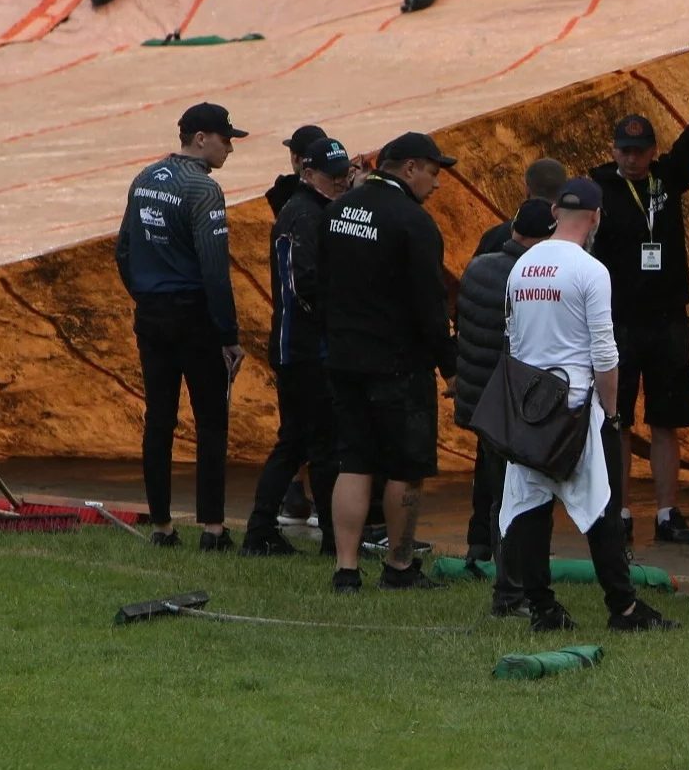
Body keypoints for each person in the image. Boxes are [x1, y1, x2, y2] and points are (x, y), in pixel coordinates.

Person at [499, 178, 677, 633]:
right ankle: (624, 607)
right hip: (577, 406)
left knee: (531, 508)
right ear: (596, 217)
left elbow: (515, 342)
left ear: (555, 211)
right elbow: (605, 352)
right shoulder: (591, 270)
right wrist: (613, 413)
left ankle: (542, 607)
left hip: (529, 407)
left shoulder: (523, 266)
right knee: (600, 507)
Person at [585, 43, 689, 546]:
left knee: (667, 419)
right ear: (613, 149)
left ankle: (667, 513)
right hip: (616, 321)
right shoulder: (595, 187)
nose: (632, 158)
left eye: (640, 151)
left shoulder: (668, 178)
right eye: (624, 150)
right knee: (615, 419)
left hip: (667, 320)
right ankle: (618, 512)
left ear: (653, 151)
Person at [320, 132, 458, 590]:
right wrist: (449, 364)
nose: (436, 185)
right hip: (399, 363)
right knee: (405, 468)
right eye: (434, 173)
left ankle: (345, 568)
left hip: (343, 357)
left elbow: (318, 282)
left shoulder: (338, 210)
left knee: (354, 461)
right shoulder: (413, 222)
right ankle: (399, 567)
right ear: (410, 167)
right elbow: (430, 304)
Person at [114, 103, 248, 549]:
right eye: (226, 138)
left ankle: (162, 528)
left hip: (151, 315)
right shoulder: (203, 189)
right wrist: (228, 335)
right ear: (200, 139)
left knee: (159, 420)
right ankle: (212, 529)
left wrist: (146, 296)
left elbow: (124, 249)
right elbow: (215, 269)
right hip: (194, 317)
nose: (230, 147)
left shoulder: (144, 178)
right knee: (211, 422)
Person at [245, 136, 351, 556]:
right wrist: (340, 321)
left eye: (345, 173)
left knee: (296, 443)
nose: (342, 182)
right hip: (304, 351)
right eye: (334, 175)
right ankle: (330, 538)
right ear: (308, 174)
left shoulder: (316, 209)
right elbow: (301, 287)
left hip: (304, 347)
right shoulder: (303, 215)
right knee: (320, 446)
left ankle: (260, 531)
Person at [455, 198, 555, 613]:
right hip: (511, 404)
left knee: (495, 490)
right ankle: (511, 591)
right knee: (515, 498)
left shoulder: (479, 267)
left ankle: (503, 578)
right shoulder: (528, 277)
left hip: (479, 400)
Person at [476, 157, 569, 257]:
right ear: (564, 192)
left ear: (527, 189)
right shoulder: (575, 240)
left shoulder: (494, 236)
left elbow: (474, 269)